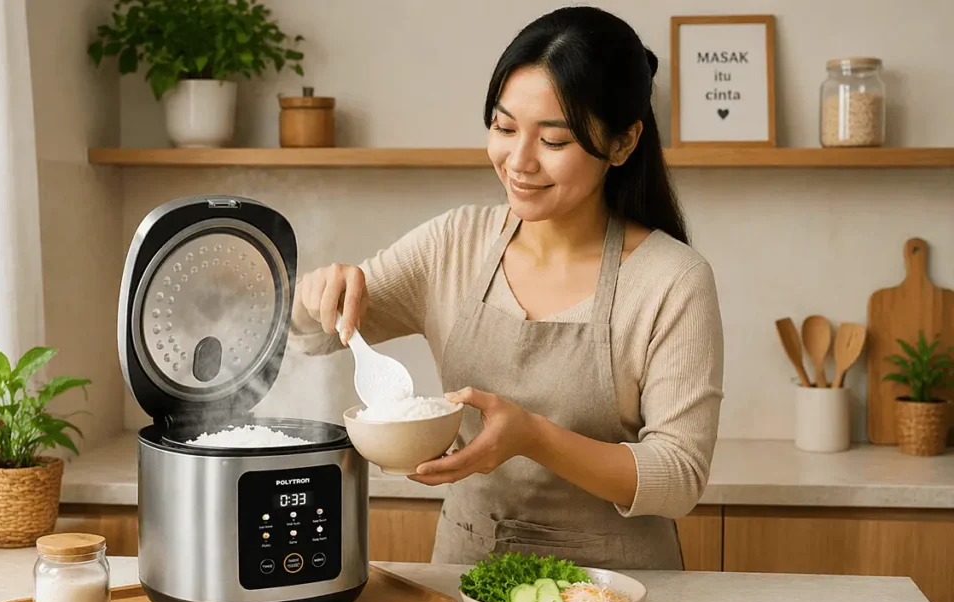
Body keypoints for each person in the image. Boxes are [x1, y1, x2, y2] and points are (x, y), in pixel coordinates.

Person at [288, 6, 724, 570]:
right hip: (466, 577)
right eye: (504, 127)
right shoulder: (454, 244)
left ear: (622, 144)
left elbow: (679, 477)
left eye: (554, 141)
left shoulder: (672, 279)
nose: (518, 161)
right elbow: (314, 335)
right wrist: (316, 293)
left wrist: (533, 438)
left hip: (619, 591)